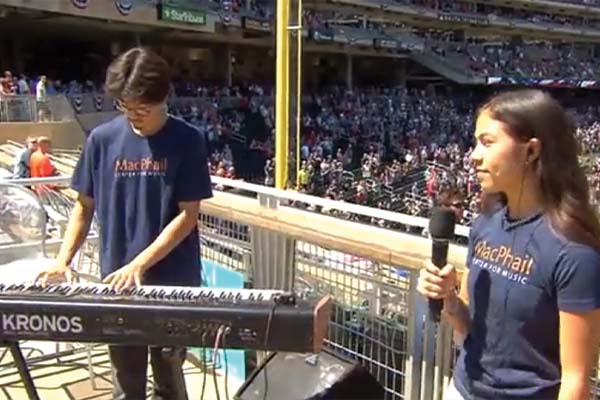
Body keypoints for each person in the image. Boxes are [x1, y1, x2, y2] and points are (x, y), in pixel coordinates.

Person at [35, 47, 213, 400]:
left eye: (141, 109)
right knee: (126, 383)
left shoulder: (187, 140)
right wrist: (62, 260)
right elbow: (84, 207)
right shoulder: (102, 140)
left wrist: (140, 263)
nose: (133, 116)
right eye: (125, 107)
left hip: (172, 284)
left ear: (163, 97)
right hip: (117, 283)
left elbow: (187, 215)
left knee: (169, 383)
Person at [417, 90, 600, 400]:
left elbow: (576, 382)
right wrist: (447, 296)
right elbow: (469, 325)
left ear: (531, 152)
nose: (473, 155)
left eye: (487, 143)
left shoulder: (574, 252)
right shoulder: (485, 224)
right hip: (462, 389)